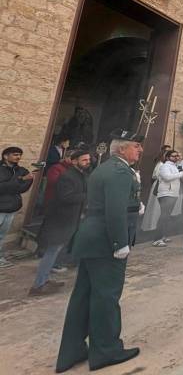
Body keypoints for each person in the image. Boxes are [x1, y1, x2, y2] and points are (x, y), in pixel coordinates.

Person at [55, 129, 143, 373]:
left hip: (92, 238)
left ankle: (72, 351)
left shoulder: (107, 168)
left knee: (83, 296)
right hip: (106, 241)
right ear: (122, 149)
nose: (140, 149)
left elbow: (109, 202)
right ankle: (106, 350)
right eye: (136, 145)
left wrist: (135, 205)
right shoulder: (120, 171)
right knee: (106, 297)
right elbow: (114, 209)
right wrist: (120, 243)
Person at [30, 150, 90, 296]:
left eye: (88, 160)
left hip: (70, 220)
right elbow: (66, 197)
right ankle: (38, 285)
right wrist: (88, 195)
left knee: (56, 251)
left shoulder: (81, 175)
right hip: (60, 220)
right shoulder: (67, 176)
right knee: (51, 251)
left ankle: (44, 279)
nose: (87, 162)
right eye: (84, 160)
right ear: (74, 161)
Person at [0, 146, 35, 269]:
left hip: (11, 208)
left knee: (2, 235)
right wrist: (20, 180)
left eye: (19, 155)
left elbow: (24, 187)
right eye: (15, 154)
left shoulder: (21, 170)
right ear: (6, 156)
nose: (18, 157)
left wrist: (17, 182)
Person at [153, 150, 183, 247]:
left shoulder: (175, 167)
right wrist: (182, 173)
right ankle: (157, 239)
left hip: (173, 193)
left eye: (177, 156)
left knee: (167, 216)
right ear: (168, 157)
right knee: (164, 215)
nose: (176, 157)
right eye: (173, 156)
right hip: (166, 193)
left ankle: (163, 236)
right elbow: (167, 177)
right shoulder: (164, 166)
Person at [140, 146, 171, 234]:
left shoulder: (166, 165)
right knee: (154, 206)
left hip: (163, 186)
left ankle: (156, 226)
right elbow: (155, 175)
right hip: (158, 185)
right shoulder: (160, 164)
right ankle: (150, 226)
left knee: (159, 208)